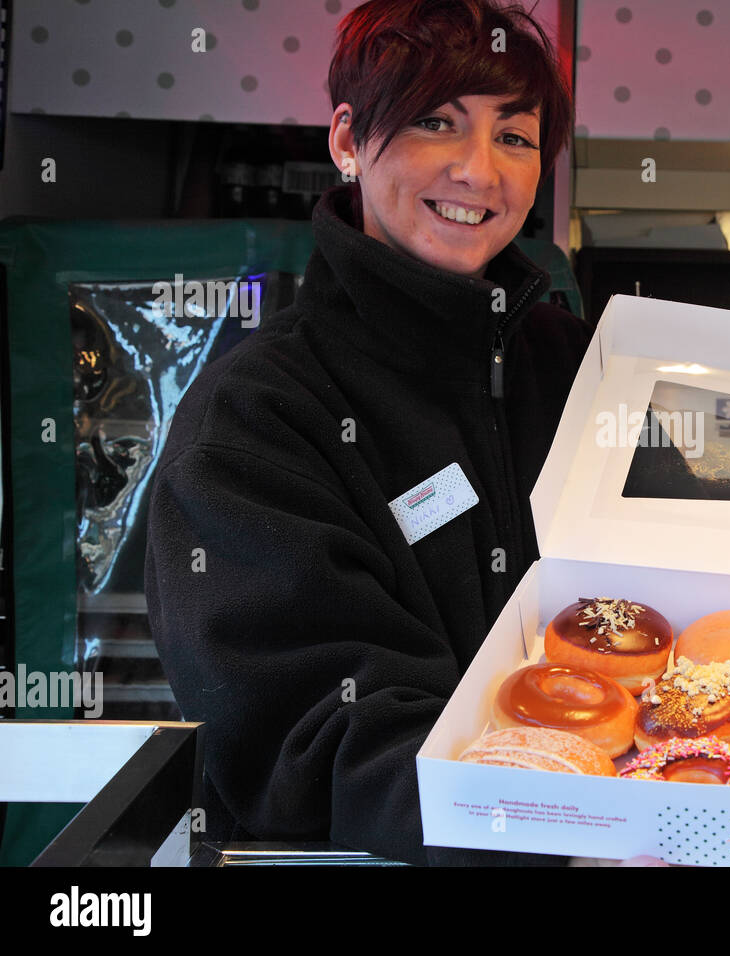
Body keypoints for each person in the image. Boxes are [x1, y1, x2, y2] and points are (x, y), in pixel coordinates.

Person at [144, 0, 587, 866]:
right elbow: (319, 736)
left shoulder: (576, 367)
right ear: (346, 138)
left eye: (515, 137)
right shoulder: (260, 416)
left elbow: (692, 584)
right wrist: (572, 822)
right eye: (436, 123)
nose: (478, 172)